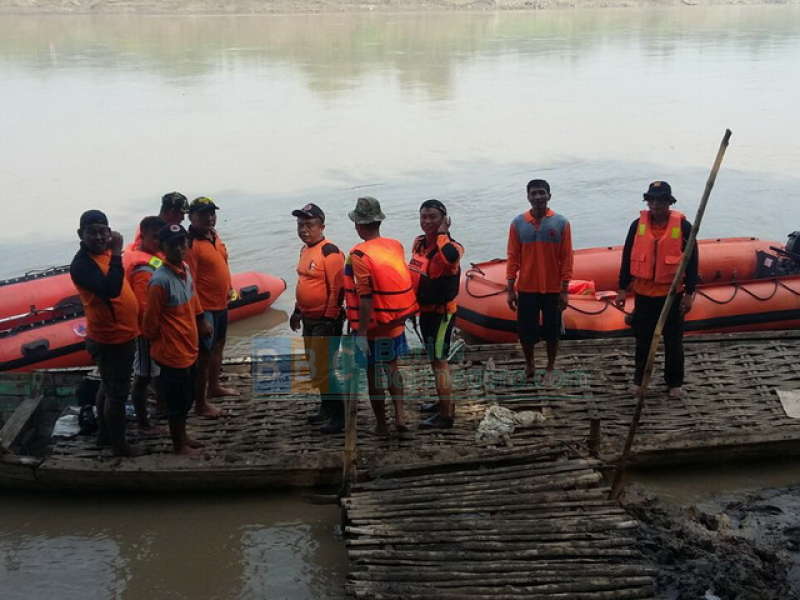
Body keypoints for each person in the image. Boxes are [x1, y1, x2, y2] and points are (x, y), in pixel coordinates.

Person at [615, 181, 698, 398]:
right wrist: (623, 289)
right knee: (643, 340)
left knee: (673, 341)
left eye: (660, 200)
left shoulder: (684, 227)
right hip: (643, 294)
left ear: (669, 202)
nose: (655, 204)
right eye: (651, 199)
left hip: (671, 294)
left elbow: (692, 261)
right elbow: (627, 257)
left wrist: (689, 293)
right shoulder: (637, 225)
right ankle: (640, 380)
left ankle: (674, 382)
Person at [344, 196, 418, 436]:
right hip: (395, 322)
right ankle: (400, 416)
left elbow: (364, 298)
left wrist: (362, 333)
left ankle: (382, 425)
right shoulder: (395, 245)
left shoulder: (359, 254)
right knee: (393, 369)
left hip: (373, 327)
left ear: (359, 225)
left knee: (373, 374)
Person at [69, 210, 141, 457]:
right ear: (81, 234)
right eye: (93, 232)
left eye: (104, 231)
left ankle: (104, 434)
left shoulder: (104, 255)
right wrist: (119, 252)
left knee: (107, 387)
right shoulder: (82, 265)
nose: (100, 237)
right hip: (111, 338)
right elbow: (110, 289)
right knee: (118, 394)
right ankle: (120, 446)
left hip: (122, 332)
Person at [143, 224, 211, 455]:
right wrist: (165, 342)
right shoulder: (159, 282)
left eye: (183, 243)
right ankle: (179, 445)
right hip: (172, 354)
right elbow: (149, 325)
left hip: (188, 348)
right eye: (174, 244)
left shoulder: (184, 270)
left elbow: (193, 300)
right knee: (176, 403)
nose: (180, 248)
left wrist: (201, 321)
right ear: (162, 247)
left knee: (187, 398)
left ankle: (184, 436)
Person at [506, 179, 573, 381]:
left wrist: (564, 289)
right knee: (526, 332)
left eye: (541, 193)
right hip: (527, 288)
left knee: (552, 332)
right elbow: (513, 256)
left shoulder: (561, 223)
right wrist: (510, 287)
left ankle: (551, 367)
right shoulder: (518, 224)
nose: (538, 197)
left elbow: (567, 258)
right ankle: (530, 365)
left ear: (549, 196)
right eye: (533, 193)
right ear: (528, 197)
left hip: (552, 288)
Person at [289, 203, 346, 434]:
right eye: (300, 225)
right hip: (309, 318)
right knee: (315, 367)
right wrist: (297, 311)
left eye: (309, 225)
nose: (304, 229)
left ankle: (338, 416)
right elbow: (304, 284)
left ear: (321, 226)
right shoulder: (305, 250)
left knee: (325, 368)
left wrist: (330, 318)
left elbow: (337, 289)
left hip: (325, 320)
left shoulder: (330, 252)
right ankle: (326, 408)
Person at [409, 199, 464, 429]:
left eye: (433, 217)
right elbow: (414, 274)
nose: (427, 221)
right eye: (424, 217)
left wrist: (443, 234)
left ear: (444, 219)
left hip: (442, 314)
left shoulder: (453, 246)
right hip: (424, 311)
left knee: (440, 362)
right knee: (433, 359)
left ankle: (446, 416)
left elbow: (450, 257)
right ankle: (443, 402)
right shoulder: (419, 243)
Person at [186, 196, 236, 417]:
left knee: (219, 346)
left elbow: (223, 264)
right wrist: (199, 317)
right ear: (191, 217)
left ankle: (214, 387)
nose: (209, 218)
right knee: (204, 355)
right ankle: (200, 403)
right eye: (203, 214)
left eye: (212, 213)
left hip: (221, 303)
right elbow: (190, 283)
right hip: (205, 307)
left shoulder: (214, 236)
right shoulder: (191, 245)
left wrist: (230, 286)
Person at [123, 216, 167, 428]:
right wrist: (155, 331)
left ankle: (161, 406)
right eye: (154, 238)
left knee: (157, 371)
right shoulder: (141, 268)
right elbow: (144, 308)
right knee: (142, 376)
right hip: (145, 333)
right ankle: (143, 420)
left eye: (161, 238)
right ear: (144, 235)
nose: (158, 242)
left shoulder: (150, 256)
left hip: (157, 329)